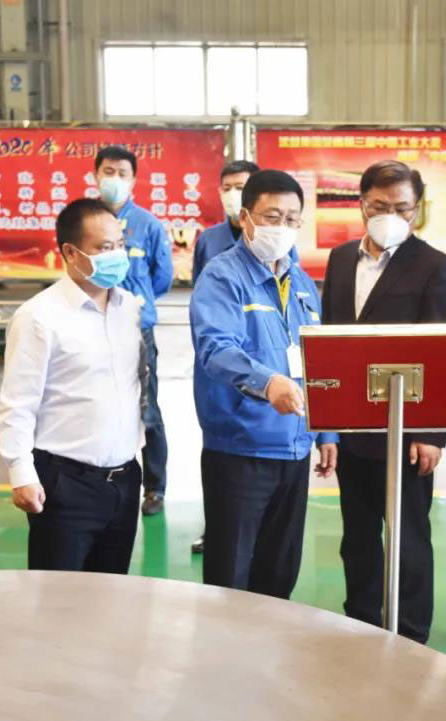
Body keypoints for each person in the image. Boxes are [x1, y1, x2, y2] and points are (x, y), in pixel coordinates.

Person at [320, 160, 446, 644]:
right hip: (352, 427)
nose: (391, 216)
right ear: (362, 205)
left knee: (409, 537)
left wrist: (431, 433)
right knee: (357, 535)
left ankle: (411, 634)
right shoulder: (341, 260)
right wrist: (328, 426)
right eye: (380, 206)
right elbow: (330, 346)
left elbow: (441, 354)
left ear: (417, 210)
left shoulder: (435, 267)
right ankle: (360, 620)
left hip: (407, 431)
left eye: (402, 208)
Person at [189, 169, 338, 599]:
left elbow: (318, 356)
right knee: (231, 575)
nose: (282, 227)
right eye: (272, 216)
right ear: (246, 218)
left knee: (279, 570)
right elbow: (216, 348)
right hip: (241, 449)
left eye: (291, 219)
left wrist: (327, 431)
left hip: (294, 447)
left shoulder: (302, 282)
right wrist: (267, 382)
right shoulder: (222, 277)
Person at [0, 198, 144, 573]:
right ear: (70, 252)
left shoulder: (128, 308)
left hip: (124, 481)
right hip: (65, 485)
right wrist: (21, 473)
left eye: (120, 245)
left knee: (111, 592)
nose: (117, 256)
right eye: (104, 248)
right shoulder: (39, 317)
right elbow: (17, 404)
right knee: (57, 598)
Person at [93, 146, 172, 517]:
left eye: (122, 173)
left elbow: (162, 277)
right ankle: (101, 474)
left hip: (138, 330)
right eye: (108, 171)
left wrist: (132, 304)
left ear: (134, 179)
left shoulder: (148, 225)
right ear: (96, 175)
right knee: (97, 402)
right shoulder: (85, 220)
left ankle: (154, 487)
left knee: (147, 408)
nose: (115, 179)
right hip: (92, 325)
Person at [189, 159, 259, 554]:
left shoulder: (275, 240)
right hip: (218, 366)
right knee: (218, 451)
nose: (235, 193)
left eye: (243, 186)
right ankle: (213, 528)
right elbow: (200, 302)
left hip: (260, 363)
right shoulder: (209, 241)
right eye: (228, 186)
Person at [192, 160, 261, 283]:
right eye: (227, 188)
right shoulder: (207, 239)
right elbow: (199, 285)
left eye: (240, 188)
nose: (232, 194)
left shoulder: (272, 238)